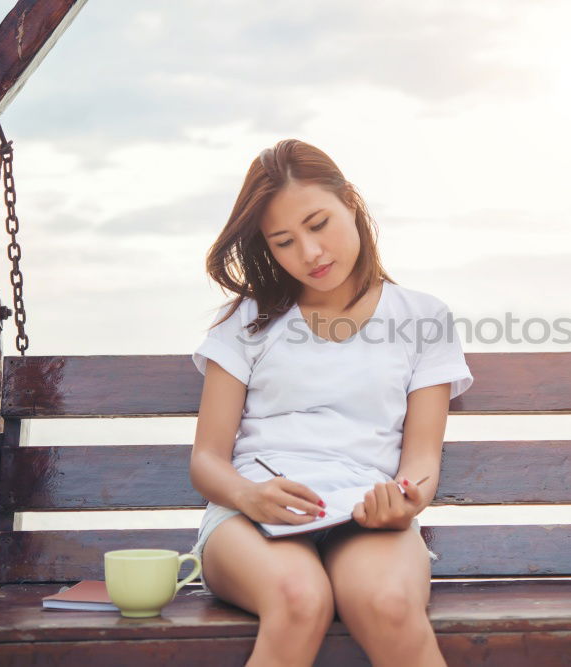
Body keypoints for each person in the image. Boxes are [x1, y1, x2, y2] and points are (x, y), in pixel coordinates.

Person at [188, 138, 474, 667]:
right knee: (300, 599)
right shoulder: (248, 321)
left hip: (365, 513)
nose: (311, 254)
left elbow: (421, 461)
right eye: (284, 242)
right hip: (252, 519)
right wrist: (250, 497)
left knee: (387, 602)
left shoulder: (423, 318)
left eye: (318, 225)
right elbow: (206, 459)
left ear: (351, 203)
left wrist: (405, 499)